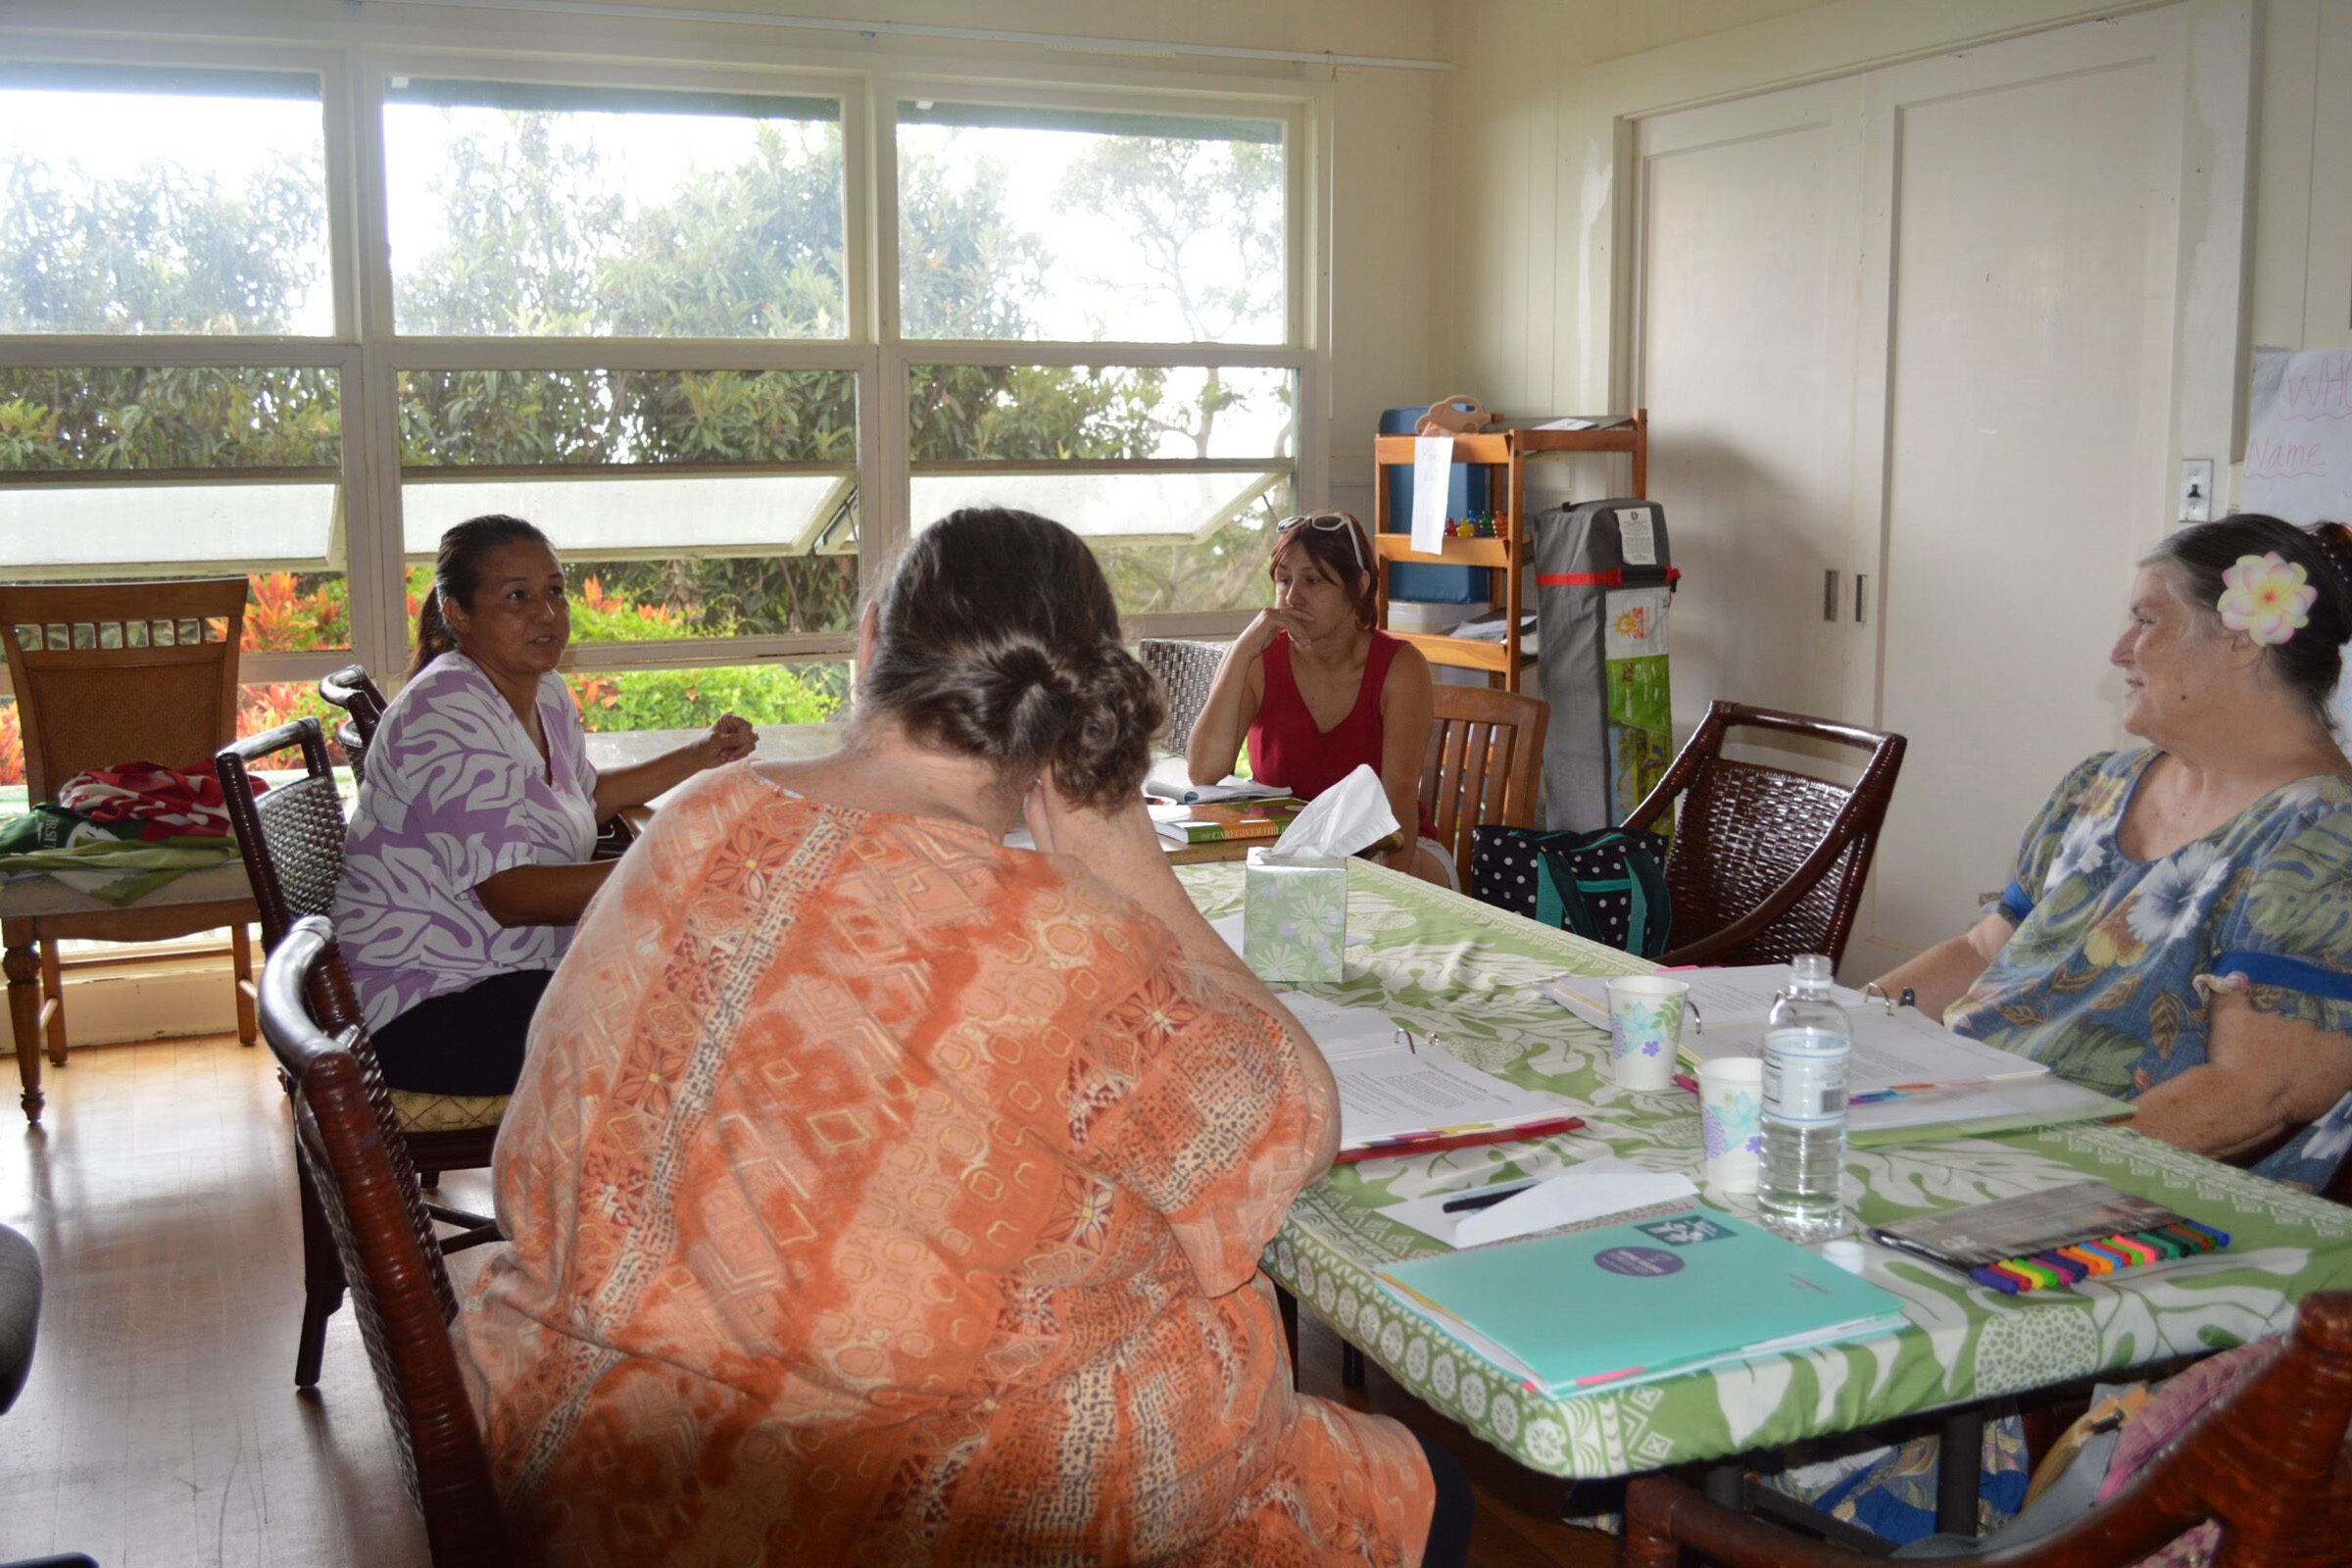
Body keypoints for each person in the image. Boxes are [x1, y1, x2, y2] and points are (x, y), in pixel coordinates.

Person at [453, 509, 1469, 1565]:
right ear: (1070, 722)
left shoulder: (699, 819)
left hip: (574, 1448)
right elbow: (1292, 1125)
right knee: (1422, 1489)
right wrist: (1121, 849)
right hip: (863, 1502)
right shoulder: (1059, 940)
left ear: (871, 641)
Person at [1875, 514, 2352, 1188]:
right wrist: (1839, 1025)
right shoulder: (2101, 785)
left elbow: (2254, 1095)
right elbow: (1986, 951)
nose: (2119, 650)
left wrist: (2021, 1171)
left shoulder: (2325, 838)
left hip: (2115, 1188)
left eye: (2147, 621)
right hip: (1972, 1128)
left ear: (2240, 641)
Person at [330, 514, 754, 1096]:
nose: (546, 613)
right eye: (517, 597)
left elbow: (582, 797)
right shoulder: (446, 709)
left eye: (555, 591)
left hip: (512, 974)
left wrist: (697, 755)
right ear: (458, 613)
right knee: (693, 1018)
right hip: (425, 1004)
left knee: (708, 985)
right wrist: (673, 861)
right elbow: (512, 895)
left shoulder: (543, 690)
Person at [1184, 511, 1453, 886]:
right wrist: (1241, 650)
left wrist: (1386, 893)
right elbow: (1203, 772)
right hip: (1288, 848)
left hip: (1386, 844)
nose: (1292, 597)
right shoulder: (1260, 659)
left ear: (1358, 586)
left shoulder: (1400, 667)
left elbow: (1400, 796)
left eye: (1312, 581)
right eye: (1284, 580)